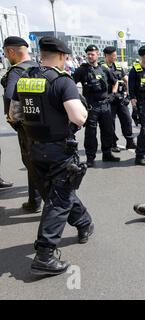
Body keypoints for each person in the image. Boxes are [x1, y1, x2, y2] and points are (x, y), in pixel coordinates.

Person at [9, 37, 94, 275]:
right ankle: (44, 255)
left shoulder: (24, 80)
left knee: (58, 193)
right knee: (59, 199)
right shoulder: (62, 81)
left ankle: (84, 222)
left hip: (34, 148)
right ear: (60, 56)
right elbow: (78, 118)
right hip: (59, 149)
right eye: (66, 58)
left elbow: (14, 113)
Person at [1, 36, 41, 210]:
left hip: (27, 126)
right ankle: (34, 201)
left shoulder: (16, 71)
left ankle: (37, 202)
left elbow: (10, 97)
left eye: (5, 53)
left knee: (32, 164)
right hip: (45, 124)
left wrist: (15, 123)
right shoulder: (40, 67)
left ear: (10, 51)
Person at [73, 45, 120, 167]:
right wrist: (79, 99)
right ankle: (90, 158)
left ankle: (107, 154)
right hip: (91, 107)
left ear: (97, 54)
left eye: (92, 54)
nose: (90, 56)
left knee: (108, 131)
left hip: (105, 105)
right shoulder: (82, 70)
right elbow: (70, 84)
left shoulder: (104, 69)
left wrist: (113, 94)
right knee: (90, 133)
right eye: (88, 54)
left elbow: (115, 82)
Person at [102, 46, 136, 152]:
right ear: (106, 56)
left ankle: (130, 142)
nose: (115, 57)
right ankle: (113, 143)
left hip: (121, 99)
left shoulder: (118, 67)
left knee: (127, 120)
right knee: (110, 123)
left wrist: (128, 96)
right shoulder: (102, 68)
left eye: (116, 55)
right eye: (113, 56)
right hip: (110, 100)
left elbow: (127, 80)